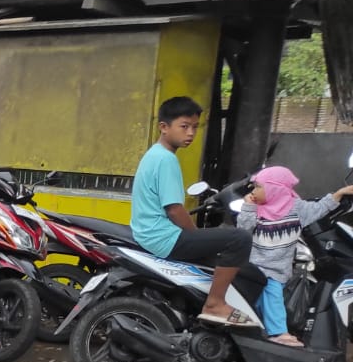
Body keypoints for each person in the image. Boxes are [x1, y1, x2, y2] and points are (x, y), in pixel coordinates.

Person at [131, 96, 251, 326]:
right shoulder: (166, 159)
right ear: (164, 127)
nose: (191, 133)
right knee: (240, 239)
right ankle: (215, 304)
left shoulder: (154, 154)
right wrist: (195, 234)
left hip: (150, 234)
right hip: (163, 237)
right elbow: (174, 210)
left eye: (195, 127)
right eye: (184, 126)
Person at [235, 165, 353, 346]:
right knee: (269, 296)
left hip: (278, 270)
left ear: (275, 189)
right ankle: (277, 332)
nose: (253, 191)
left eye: (258, 186)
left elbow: (320, 208)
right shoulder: (256, 209)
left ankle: (272, 332)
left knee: (270, 297)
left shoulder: (296, 209)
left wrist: (339, 194)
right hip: (255, 267)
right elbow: (243, 230)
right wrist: (248, 208)